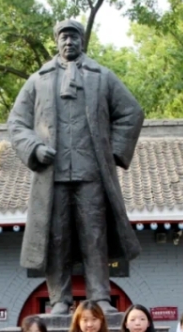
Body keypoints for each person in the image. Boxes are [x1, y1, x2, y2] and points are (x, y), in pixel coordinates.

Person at [8, 18, 145, 313]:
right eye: (64, 37)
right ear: (56, 41)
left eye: (74, 37)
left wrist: (112, 152)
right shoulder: (38, 79)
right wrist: (35, 148)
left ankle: (100, 297)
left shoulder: (102, 77)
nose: (69, 42)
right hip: (53, 176)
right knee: (57, 238)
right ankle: (59, 299)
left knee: (94, 236)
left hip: (91, 173)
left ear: (82, 41)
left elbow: (131, 112)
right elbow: (16, 122)